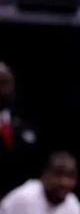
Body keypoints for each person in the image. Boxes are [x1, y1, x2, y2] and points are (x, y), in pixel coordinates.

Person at [0, 62, 40, 199]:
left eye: (8, 83)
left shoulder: (24, 117)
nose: (5, 90)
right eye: (1, 83)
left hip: (20, 197)